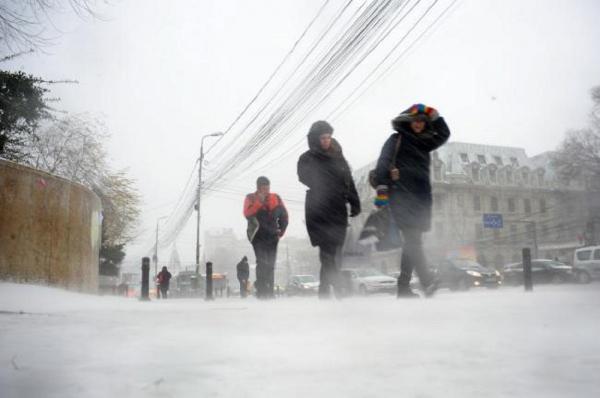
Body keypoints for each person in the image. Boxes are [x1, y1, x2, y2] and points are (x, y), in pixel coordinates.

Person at [374, 104, 450, 298]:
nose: (418, 125)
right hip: (401, 196)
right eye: (415, 121)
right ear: (408, 121)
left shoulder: (425, 142)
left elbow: (443, 134)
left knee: (412, 242)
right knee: (413, 239)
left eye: (423, 122)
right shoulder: (397, 139)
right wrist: (382, 191)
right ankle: (427, 281)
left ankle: (403, 288)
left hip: (421, 198)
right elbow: (383, 162)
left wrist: (434, 115)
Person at [297, 121, 361, 298]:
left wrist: (354, 202)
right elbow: (303, 176)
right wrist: (325, 180)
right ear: (316, 139)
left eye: (328, 137)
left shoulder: (339, 158)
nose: (326, 141)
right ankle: (338, 286)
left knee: (337, 252)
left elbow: (348, 181)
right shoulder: (306, 158)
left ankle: (324, 292)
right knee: (326, 252)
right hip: (318, 209)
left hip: (338, 210)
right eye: (323, 138)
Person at [243, 176, 288, 299]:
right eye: (263, 188)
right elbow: (247, 214)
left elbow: (284, 215)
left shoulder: (276, 198)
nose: (266, 191)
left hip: (273, 236)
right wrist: (259, 202)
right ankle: (262, 291)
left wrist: (281, 231)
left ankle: (269, 292)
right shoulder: (250, 198)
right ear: (258, 188)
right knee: (262, 262)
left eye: (268, 188)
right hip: (257, 236)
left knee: (271, 265)